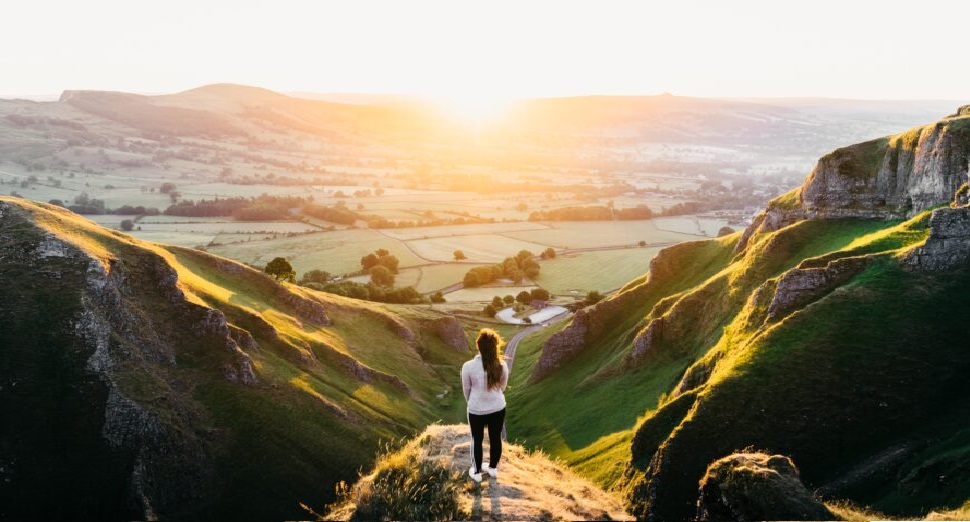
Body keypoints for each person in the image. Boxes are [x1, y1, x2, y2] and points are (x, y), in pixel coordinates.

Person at [461, 328, 509, 483]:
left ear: (478, 346)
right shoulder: (502, 365)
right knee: (496, 438)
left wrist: (473, 402)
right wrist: (492, 397)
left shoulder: (468, 366)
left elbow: (466, 389)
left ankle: (476, 473)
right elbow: (502, 386)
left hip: (476, 409)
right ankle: (493, 468)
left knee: (477, 439)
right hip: (498, 407)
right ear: (495, 346)